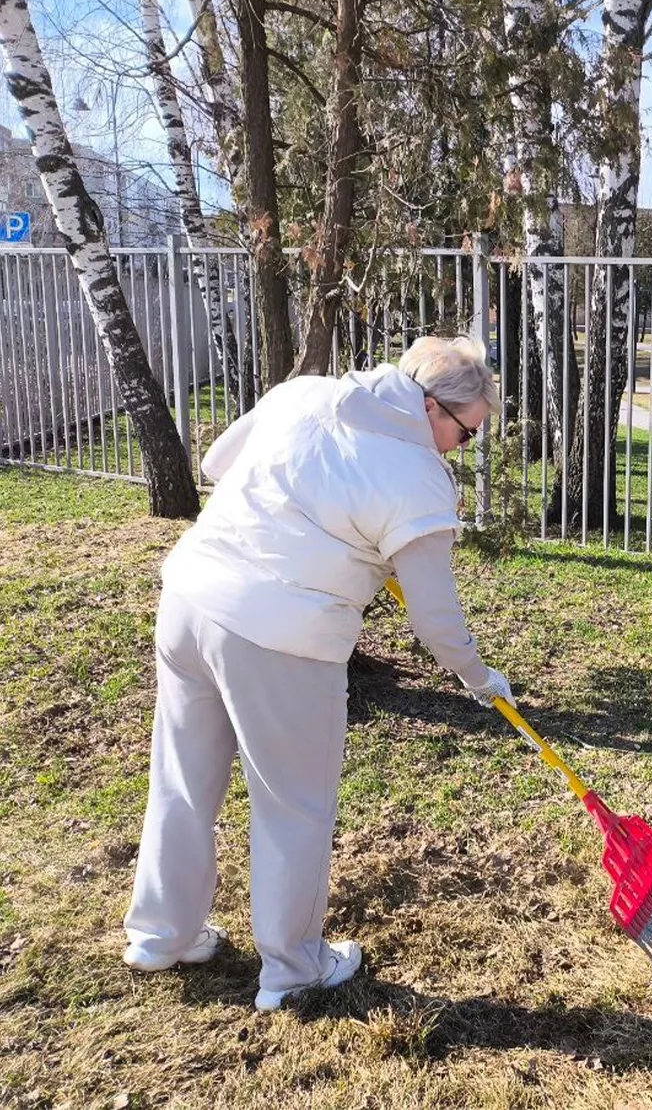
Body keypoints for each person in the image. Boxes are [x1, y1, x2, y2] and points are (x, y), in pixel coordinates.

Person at [122, 336, 516, 1012]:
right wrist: (480, 679)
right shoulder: (419, 476)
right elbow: (435, 619)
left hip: (189, 600)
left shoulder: (307, 392)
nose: (460, 448)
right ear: (431, 407)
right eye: (466, 432)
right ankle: (294, 968)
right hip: (283, 638)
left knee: (182, 778)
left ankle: (161, 935)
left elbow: (218, 463)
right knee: (294, 804)